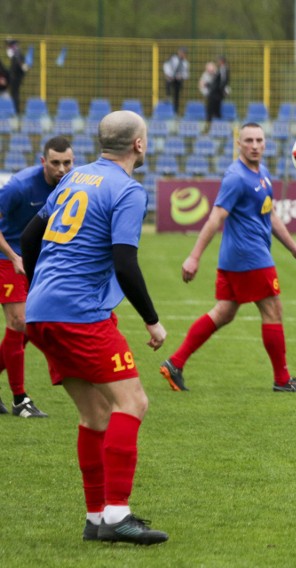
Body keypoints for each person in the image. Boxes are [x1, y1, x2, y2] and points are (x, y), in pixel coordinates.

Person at [20, 110, 169, 544]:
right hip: (78, 314)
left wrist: (41, 287)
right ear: (139, 145)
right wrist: (153, 321)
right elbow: (125, 261)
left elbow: (31, 238)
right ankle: (118, 515)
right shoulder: (128, 190)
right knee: (133, 403)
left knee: (94, 414)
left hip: (40, 310)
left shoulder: (75, 176)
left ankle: (97, 518)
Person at [160, 122, 296, 393]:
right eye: (248, 141)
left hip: (237, 258)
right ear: (239, 143)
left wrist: (293, 248)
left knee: (223, 312)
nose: (255, 145)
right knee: (273, 310)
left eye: (259, 140)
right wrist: (194, 257)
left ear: (265, 143)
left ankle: (175, 363)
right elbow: (215, 218)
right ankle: (282, 380)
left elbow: (270, 214)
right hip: (250, 256)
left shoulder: (262, 173)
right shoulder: (236, 177)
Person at [0, 136, 75, 417]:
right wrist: (12, 256)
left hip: (36, 259)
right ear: (43, 161)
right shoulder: (19, 187)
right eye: (55, 163)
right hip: (6, 256)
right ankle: (20, 400)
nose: (61, 169)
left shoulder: (72, 183)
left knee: (32, 326)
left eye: (67, 162)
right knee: (19, 321)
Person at [163, 47, 190, 115]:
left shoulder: (185, 63)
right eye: (182, 52)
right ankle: (168, 96)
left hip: (178, 80)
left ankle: (176, 111)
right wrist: (169, 75)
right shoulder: (173, 59)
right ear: (179, 52)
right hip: (171, 77)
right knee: (168, 82)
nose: (183, 54)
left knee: (176, 95)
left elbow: (186, 74)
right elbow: (166, 66)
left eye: (184, 53)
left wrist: (180, 76)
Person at [5, 39, 27, 115]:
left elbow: (18, 66)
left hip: (16, 78)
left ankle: (16, 112)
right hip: (15, 77)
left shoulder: (17, 54)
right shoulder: (17, 54)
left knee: (15, 95)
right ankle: (15, 111)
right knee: (14, 94)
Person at [205, 55, 229, 123]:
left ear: (221, 61)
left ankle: (211, 126)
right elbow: (217, 81)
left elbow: (222, 82)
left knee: (212, 110)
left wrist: (221, 90)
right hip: (216, 93)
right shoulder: (221, 69)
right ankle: (214, 126)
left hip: (216, 94)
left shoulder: (223, 69)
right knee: (215, 111)